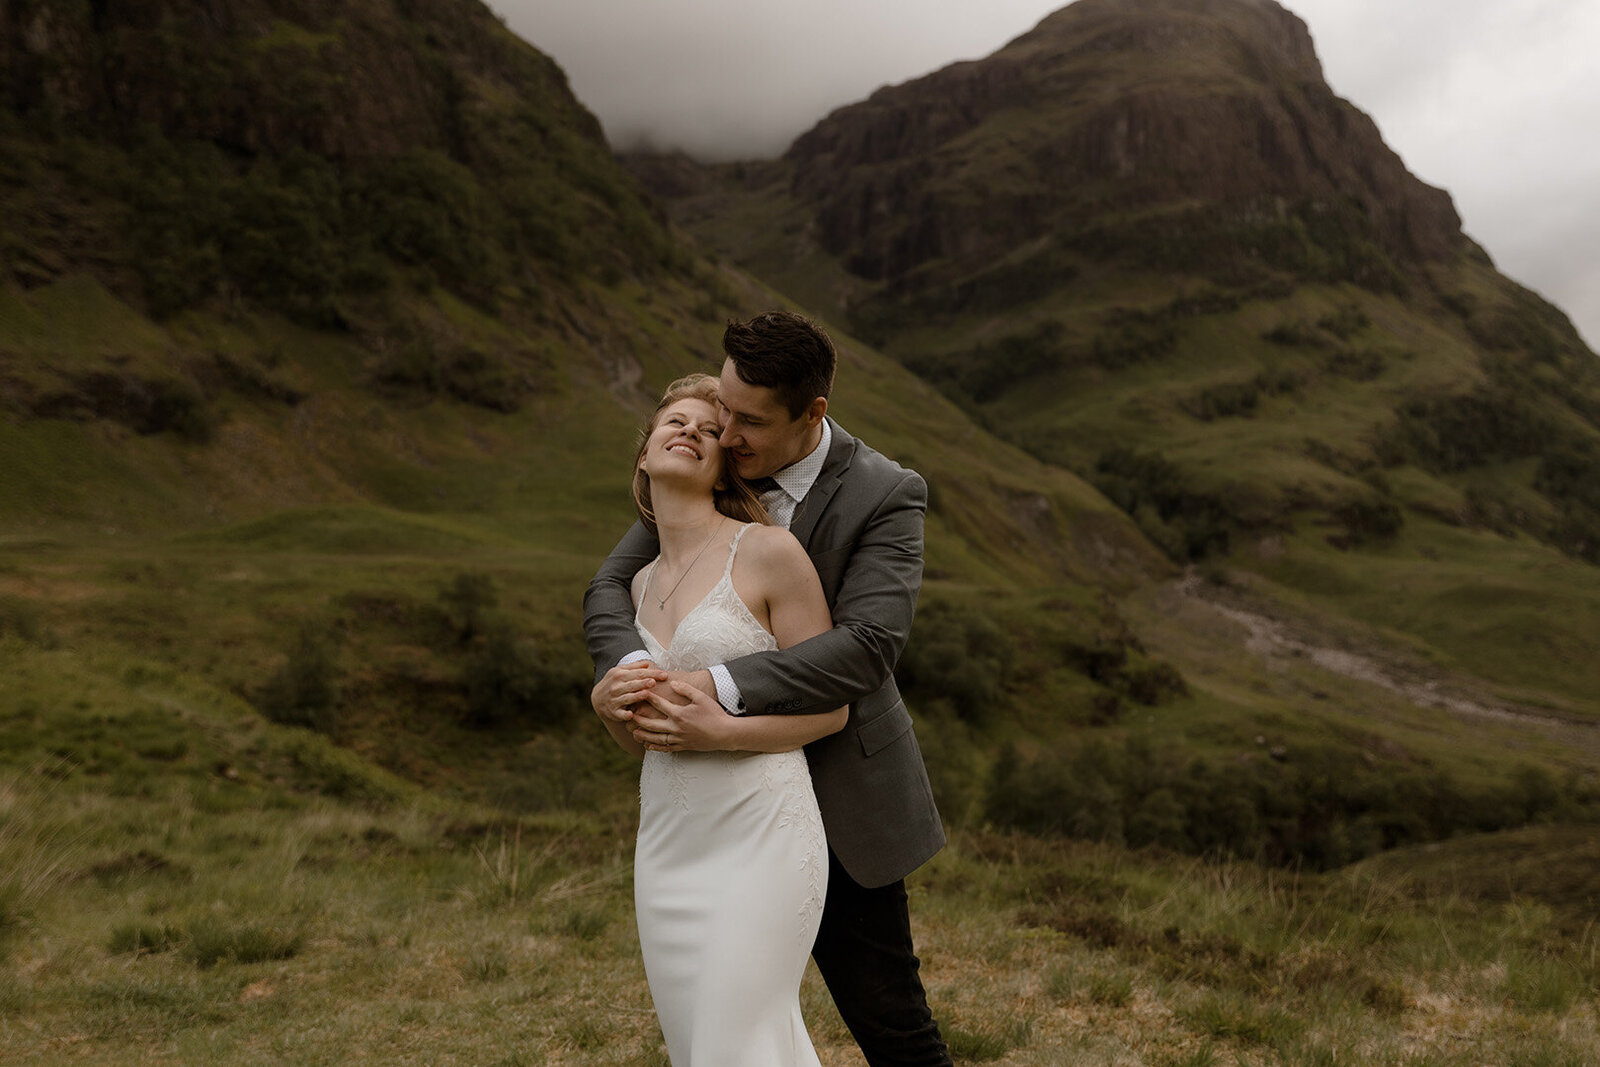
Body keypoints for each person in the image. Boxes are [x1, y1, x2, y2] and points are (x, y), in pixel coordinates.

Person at [586, 311, 951, 1066]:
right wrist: (625, 677)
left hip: (841, 793)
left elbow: (869, 647)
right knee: (729, 1029)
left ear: (811, 413)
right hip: (705, 816)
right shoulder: (708, 465)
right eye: (723, 408)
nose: (725, 432)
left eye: (748, 421)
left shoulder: (886, 493)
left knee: (892, 1025)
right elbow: (609, 585)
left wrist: (712, 687)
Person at [599, 371, 846, 1066]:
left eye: (709, 432)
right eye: (674, 422)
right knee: (705, 1044)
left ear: (720, 467)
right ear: (645, 454)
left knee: (730, 1044)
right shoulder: (635, 587)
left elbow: (831, 707)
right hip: (669, 846)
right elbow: (638, 740)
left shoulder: (768, 551)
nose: (690, 432)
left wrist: (725, 731)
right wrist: (606, 707)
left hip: (762, 832)